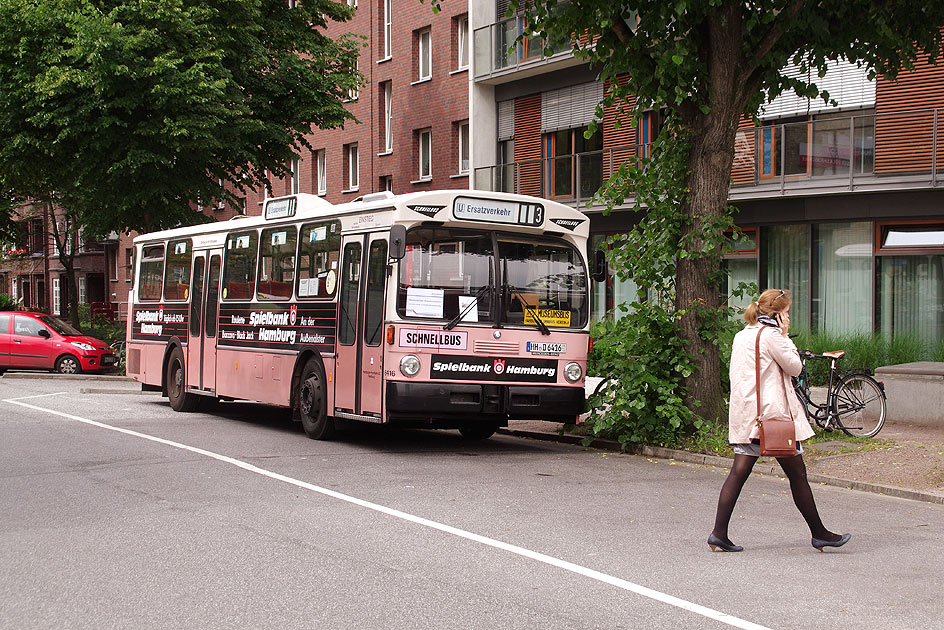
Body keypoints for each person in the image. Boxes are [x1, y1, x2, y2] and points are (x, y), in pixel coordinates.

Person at [708, 288, 851, 553]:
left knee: (738, 473)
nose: (787, 317)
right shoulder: (772, 336)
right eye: (785, 313)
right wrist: (786, 336)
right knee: (798, 475)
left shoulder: (742, 336)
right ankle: (820, 534)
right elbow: (795, 367)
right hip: (772, 419)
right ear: (776, 314)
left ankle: (719, 533)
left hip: (750, 416)